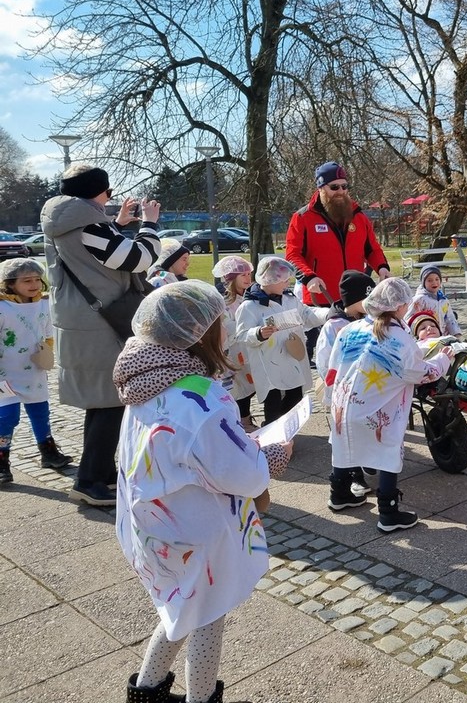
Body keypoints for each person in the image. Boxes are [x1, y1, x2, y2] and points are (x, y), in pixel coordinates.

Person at [115, 281, 291, 703]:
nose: (227, 329)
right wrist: (274, 454)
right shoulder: (199, 397)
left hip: (155, 524)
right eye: (220, 322)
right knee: (208, 616)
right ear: (200, 334)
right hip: (197, 532)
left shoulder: (147, 383)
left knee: (179, 610)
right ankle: (201, 697)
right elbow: (242, 476)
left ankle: (147, 689)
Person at [40, 163, 162, 506]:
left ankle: (102, 474)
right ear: (100, 192)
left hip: (83, 320)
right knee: (110, 402)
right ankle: (89, 480)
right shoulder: (88, 225)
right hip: (100, 324)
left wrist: (117, 225)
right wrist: (150, 224)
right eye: (108, 193)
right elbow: (139, 258)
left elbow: (92, 255)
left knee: (102, 402)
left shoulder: (64, 221)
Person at [324, 278, 452, 531]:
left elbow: (333, 366)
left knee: (343, 446)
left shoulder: (350, 329)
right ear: (400, 306)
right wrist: (442, 360)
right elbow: (419, 373)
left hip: (344, 405)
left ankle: (339, 494)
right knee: (387, 454)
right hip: (378, 409)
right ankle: (389, 512)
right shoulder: (399, 337)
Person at [284, 161, 391, 359]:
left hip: (356, 299)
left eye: (344, 186)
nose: (340, 191)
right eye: (334, 187)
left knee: (360, 354)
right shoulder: (303, 217)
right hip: (321, 299)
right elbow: (292, 254)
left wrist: (382, 267)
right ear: (321, 187)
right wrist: (308, 277)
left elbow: (372, 249)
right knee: (329, 357)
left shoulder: (358, 216)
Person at [234, 256, 330, 424]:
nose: (288, 284)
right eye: (284, 281)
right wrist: (258, 333)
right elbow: (242, 334)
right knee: (273, 402)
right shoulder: (249, 306)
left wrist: (329, 314)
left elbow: (307, 315)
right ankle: (272, 429)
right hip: (269, 364)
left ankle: (285, 427)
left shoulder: (290, 299)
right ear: (269, 280)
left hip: (292, 358)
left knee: (295, 396)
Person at [0, 259, 71, 483]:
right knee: (7, 417)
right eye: (26, 281)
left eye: (37, 279)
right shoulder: (3, 308)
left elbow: (47, 333)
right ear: (10, 283)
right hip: (4, 374)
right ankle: (2, 459)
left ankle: (48, 452)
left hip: (34, 371)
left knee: (40, 412)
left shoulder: (43, 304)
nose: (34, 285)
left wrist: (46, 353)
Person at [314, 269, 377, 507]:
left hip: (367, 389)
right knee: (345, 437)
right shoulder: (334, 326)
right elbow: (325, 362)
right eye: (367, 298)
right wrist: (339, 385)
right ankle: (353, 477)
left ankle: (365, 463)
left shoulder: (368, 320)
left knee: (365, 430)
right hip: (343, 392)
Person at [212, 255, 258, 432]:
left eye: (249, 274)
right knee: (238, 389)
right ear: (231, 278)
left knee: (250, 386)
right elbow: (229, 328)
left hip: (249, 349)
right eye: (242, 275)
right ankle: (242, 421)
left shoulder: (251, 297)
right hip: (232, 353)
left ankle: (244, 418)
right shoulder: (224, 303)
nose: (247, 278)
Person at [404, 265, 462, 336]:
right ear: (423, 283)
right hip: (426, 336)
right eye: (429, 280)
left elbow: (450, 319)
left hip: (442, 337)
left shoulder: (444, 300)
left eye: (437, 279)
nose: (434, 282)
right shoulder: (420, 300)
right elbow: (408, 319)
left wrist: (456, 334)